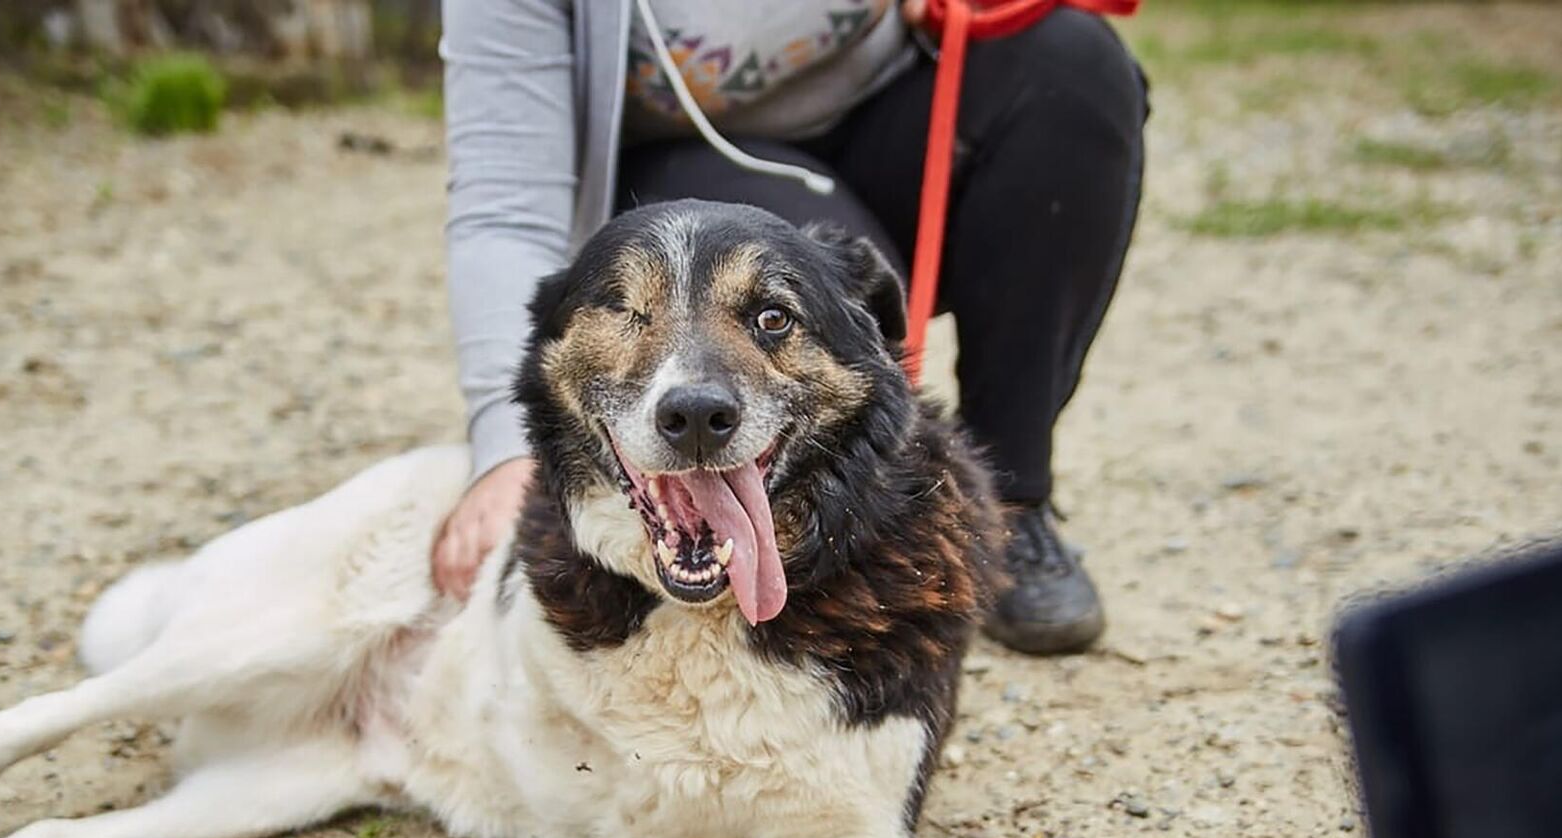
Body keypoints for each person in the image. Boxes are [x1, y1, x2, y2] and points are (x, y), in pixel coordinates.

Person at [434, 0, 1148, 653]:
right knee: (797, 279)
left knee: (1072, 71)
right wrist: (506, 453)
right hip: (688, 173)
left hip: (888, 110)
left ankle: (1011, 506)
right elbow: (505, 211)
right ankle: (750, 529)